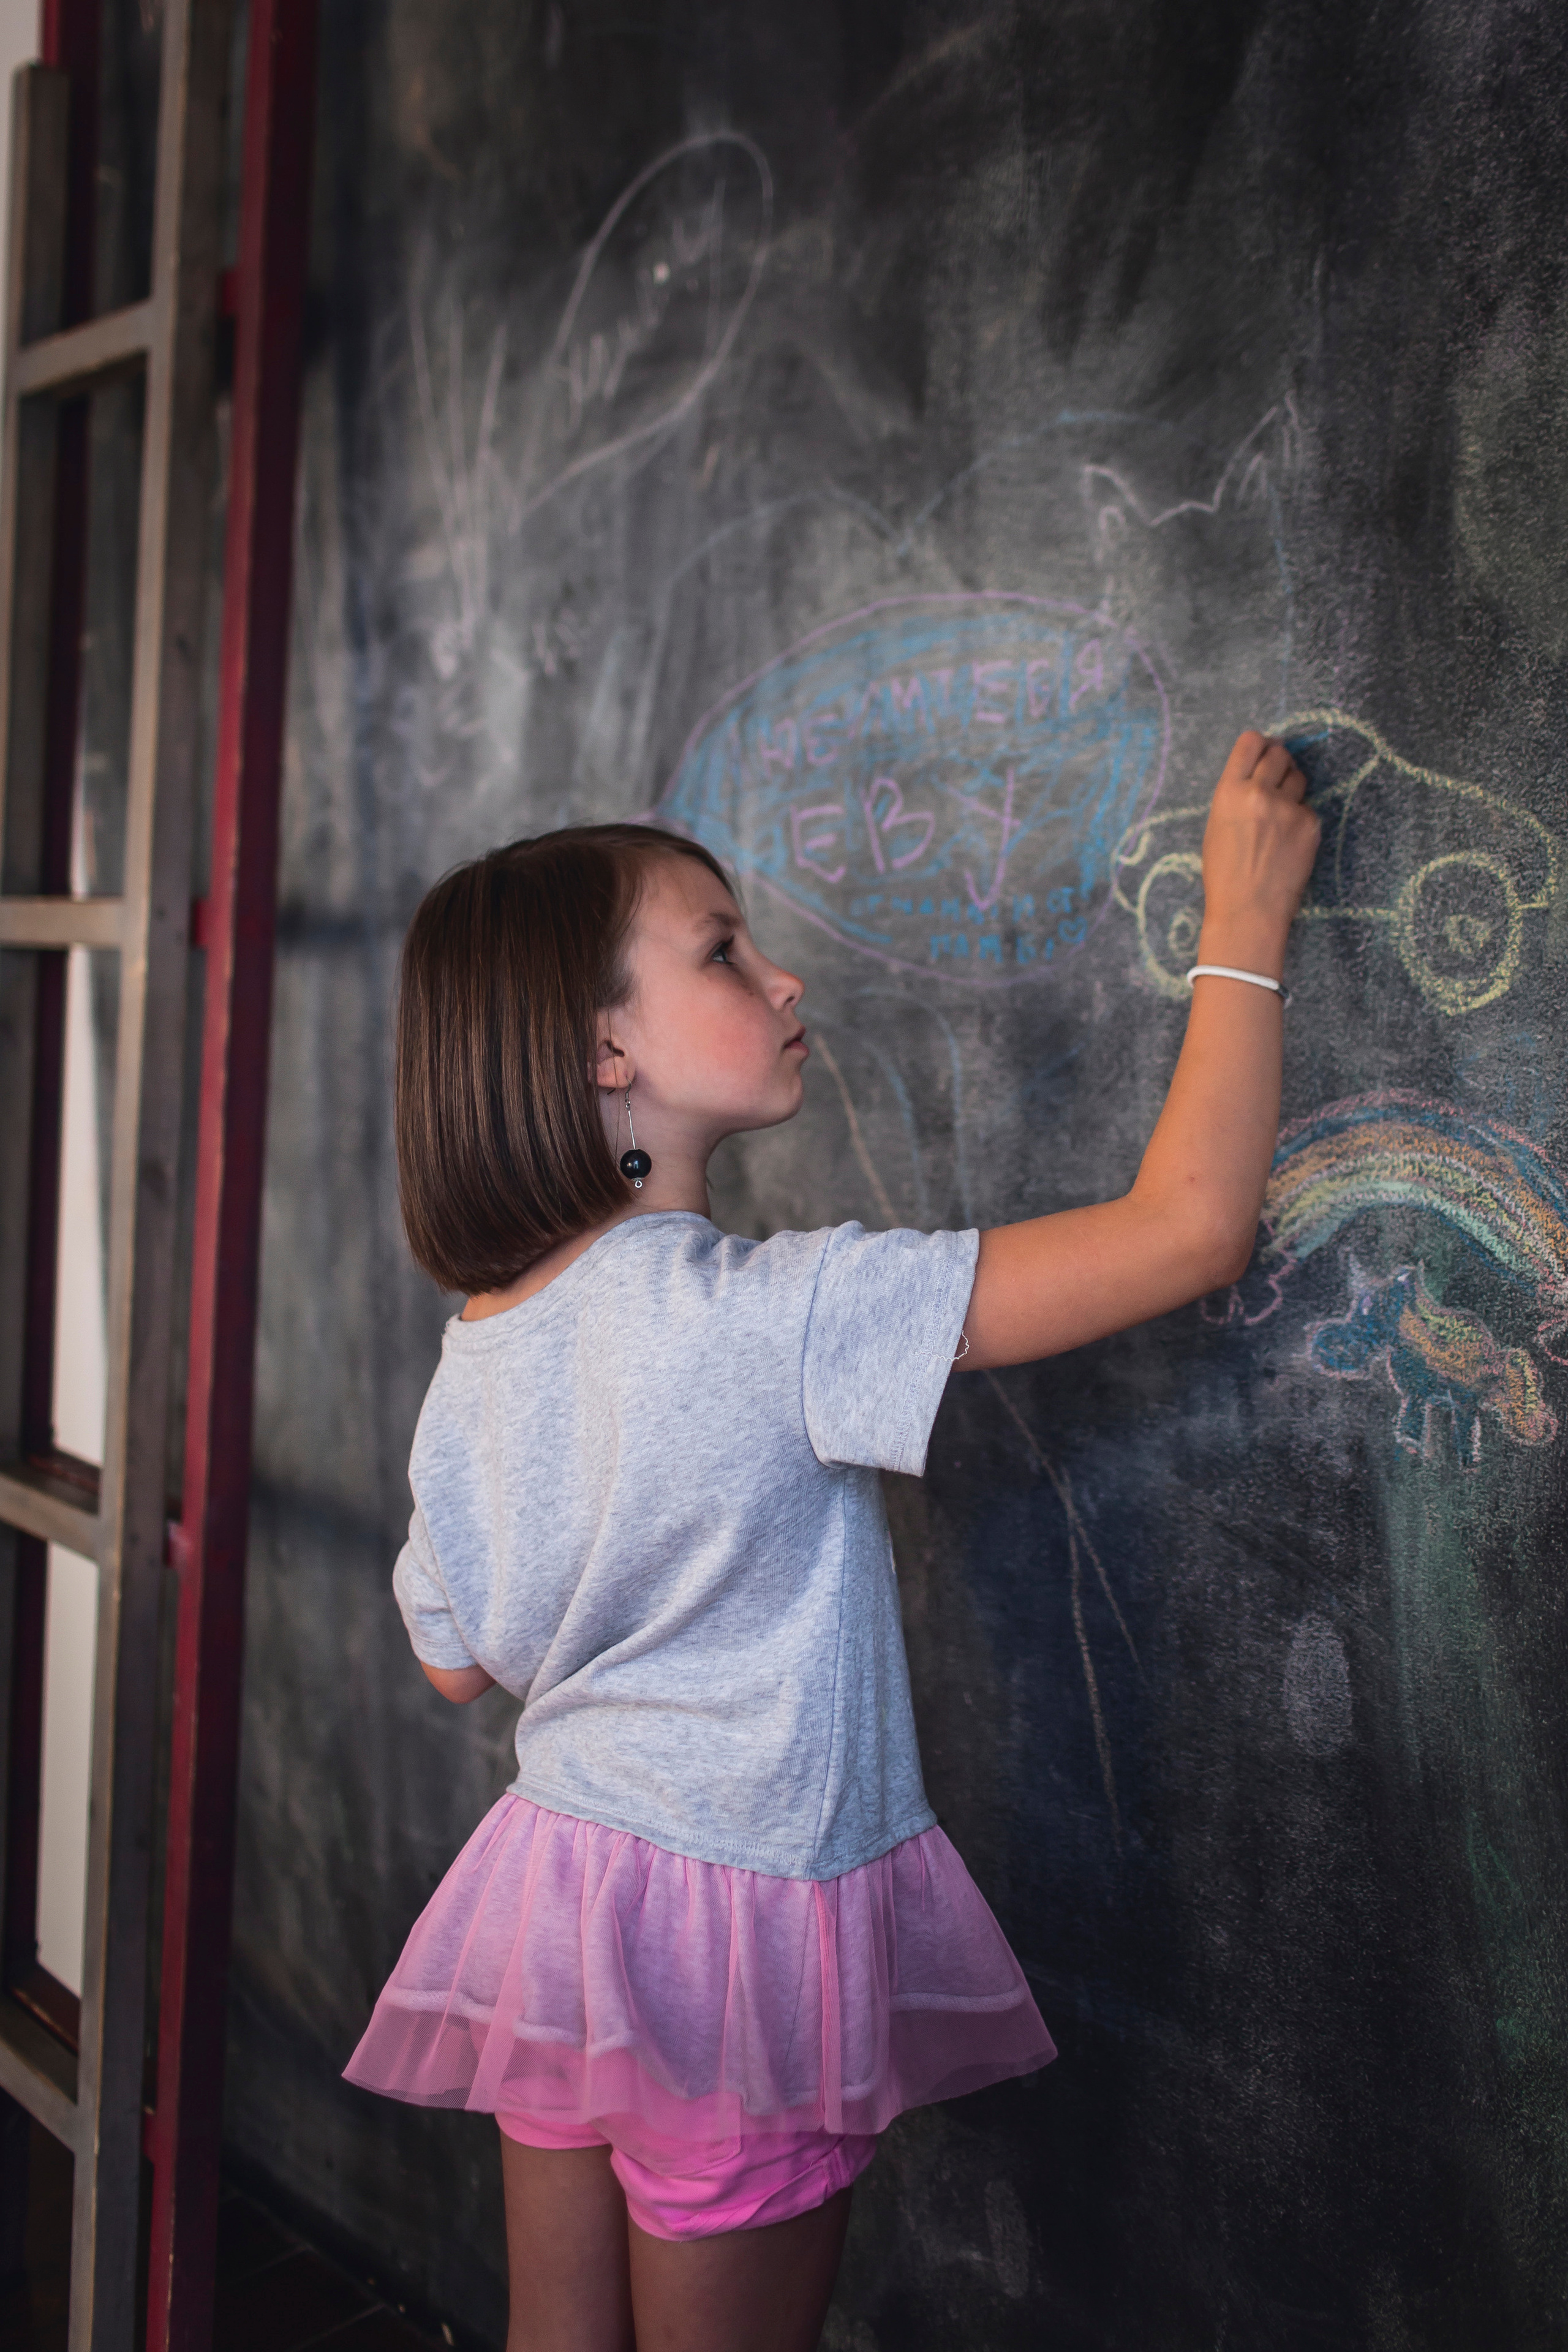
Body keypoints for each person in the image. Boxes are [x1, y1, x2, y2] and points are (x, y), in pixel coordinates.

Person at [344, 729, 1318, 2351]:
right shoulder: (776, 1318)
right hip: (743, 1950)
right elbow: (1190, 1230)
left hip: (566, 1915)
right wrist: (1249, 916)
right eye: (724, 949)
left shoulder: (479, 1348)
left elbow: (454, 1664)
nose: (784, 977)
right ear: (602, 1054)